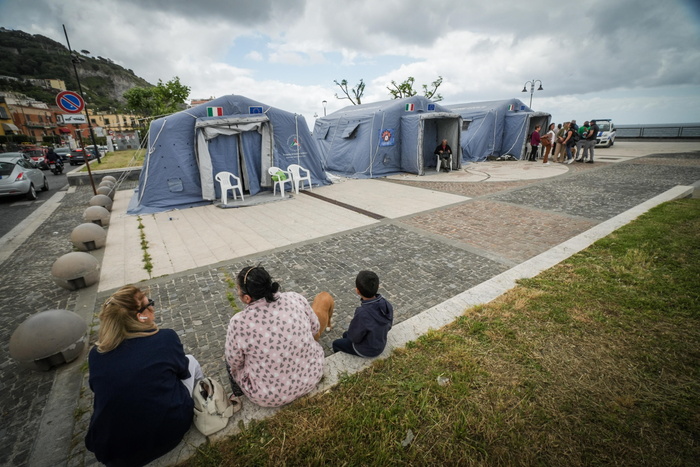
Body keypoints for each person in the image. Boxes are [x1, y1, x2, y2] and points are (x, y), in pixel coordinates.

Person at [85, 285, 203, 467]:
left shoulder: (97, 354)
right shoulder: (165, 339)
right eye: (150, 304)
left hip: (115, 451)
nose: (153, 308)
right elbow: (182, 371)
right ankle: (204, 403)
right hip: (168, 434)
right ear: (139, 316)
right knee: (191, 361)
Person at [224, 265, 325, 407]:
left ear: (247, 298)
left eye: (238, 290)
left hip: (270, 396)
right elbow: (315, 328)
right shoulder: (295, 298)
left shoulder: (239, 323)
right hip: (312, 374)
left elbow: (235, 362)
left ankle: (238, 394)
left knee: (229, 361)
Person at [332, 270, 394, 358]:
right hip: (380, 342)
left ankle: (340, 359)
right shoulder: (386, 304)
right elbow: (389, 326)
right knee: (345, 334)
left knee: (336, 343)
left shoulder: (362, 313)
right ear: (378, 286)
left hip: (367, 350)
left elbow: (354, 337)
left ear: (357, 291)